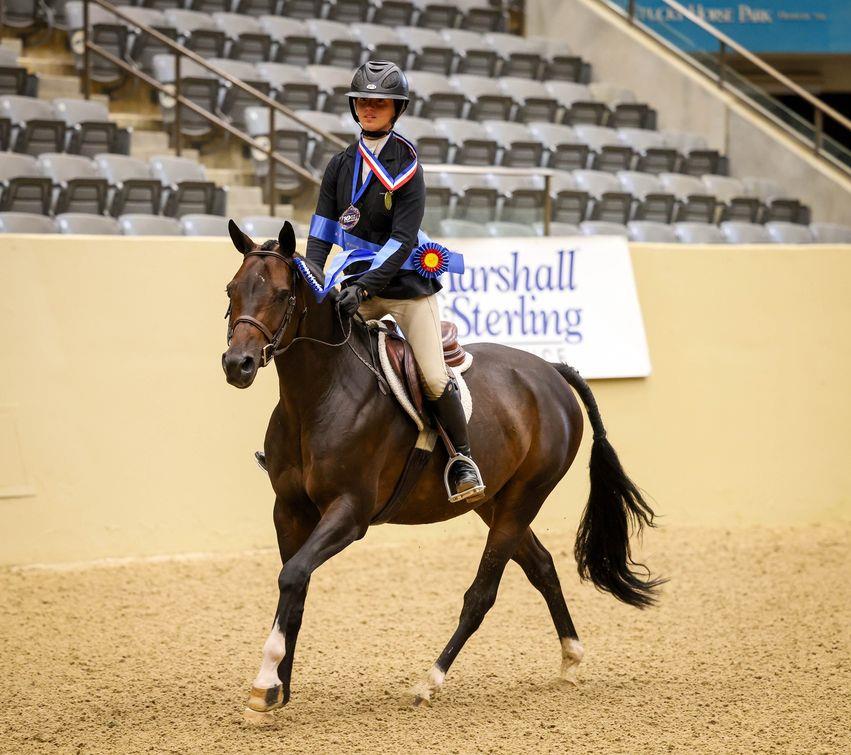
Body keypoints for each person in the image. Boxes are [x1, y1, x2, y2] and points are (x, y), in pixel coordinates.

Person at [305, 60, 485, 504]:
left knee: (433, 376)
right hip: (354, 284)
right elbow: (322, 231)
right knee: (312, 350)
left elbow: (403, 240)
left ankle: (462, 460)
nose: (369, 109)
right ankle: (295, 444)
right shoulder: (340, 165)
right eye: (363, 102)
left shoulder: (406, 164)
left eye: (380, 103)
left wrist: (365, 287)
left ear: (396, 110)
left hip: (403, 288)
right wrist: (314, 276)